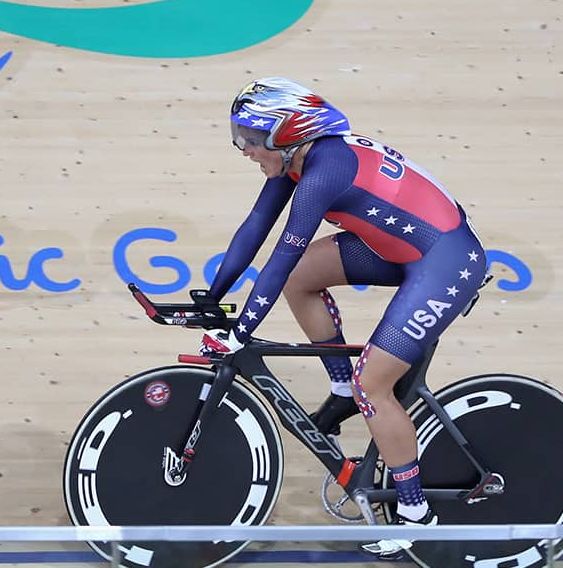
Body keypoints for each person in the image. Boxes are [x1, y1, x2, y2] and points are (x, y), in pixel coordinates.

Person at [198, 77, 488, 557]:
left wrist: (241, 331)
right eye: (239, 136)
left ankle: (416, 514)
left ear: (287, 135)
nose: (243, 148)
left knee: (372, 383)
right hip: (400, 248)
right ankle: (339, 387)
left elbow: (282, 253)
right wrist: (212, 298)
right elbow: (255, 228)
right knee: (301, 280)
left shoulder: (325, 170)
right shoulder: (297, 159)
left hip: (445, 263)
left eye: (250, 138)